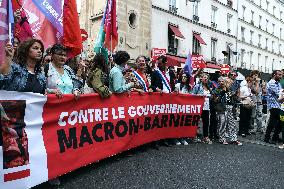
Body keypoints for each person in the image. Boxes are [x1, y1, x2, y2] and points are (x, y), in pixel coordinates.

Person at [192, 73, 212, 144]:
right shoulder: (197, 86)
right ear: (201, 78)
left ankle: (206, 137)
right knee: (196, 122)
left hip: (206, 107)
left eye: (207, 78)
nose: (206, 79)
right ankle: (194, 136)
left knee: (206, 122)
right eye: (204, 77)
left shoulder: (208, 86)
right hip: (199, 107)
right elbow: (192, 95)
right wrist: (201, 96)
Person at [264, 70, 283, 144]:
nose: (281, 76)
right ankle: (267, 138)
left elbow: (281, 92)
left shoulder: (278, 83)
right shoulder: (272, 83)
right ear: (274, 75)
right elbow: (279, 94)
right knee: (272, 122)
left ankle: (275, 136)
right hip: (273, 105)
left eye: (281, 75)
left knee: (281, 122)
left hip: (278, 105)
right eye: (279, 75)